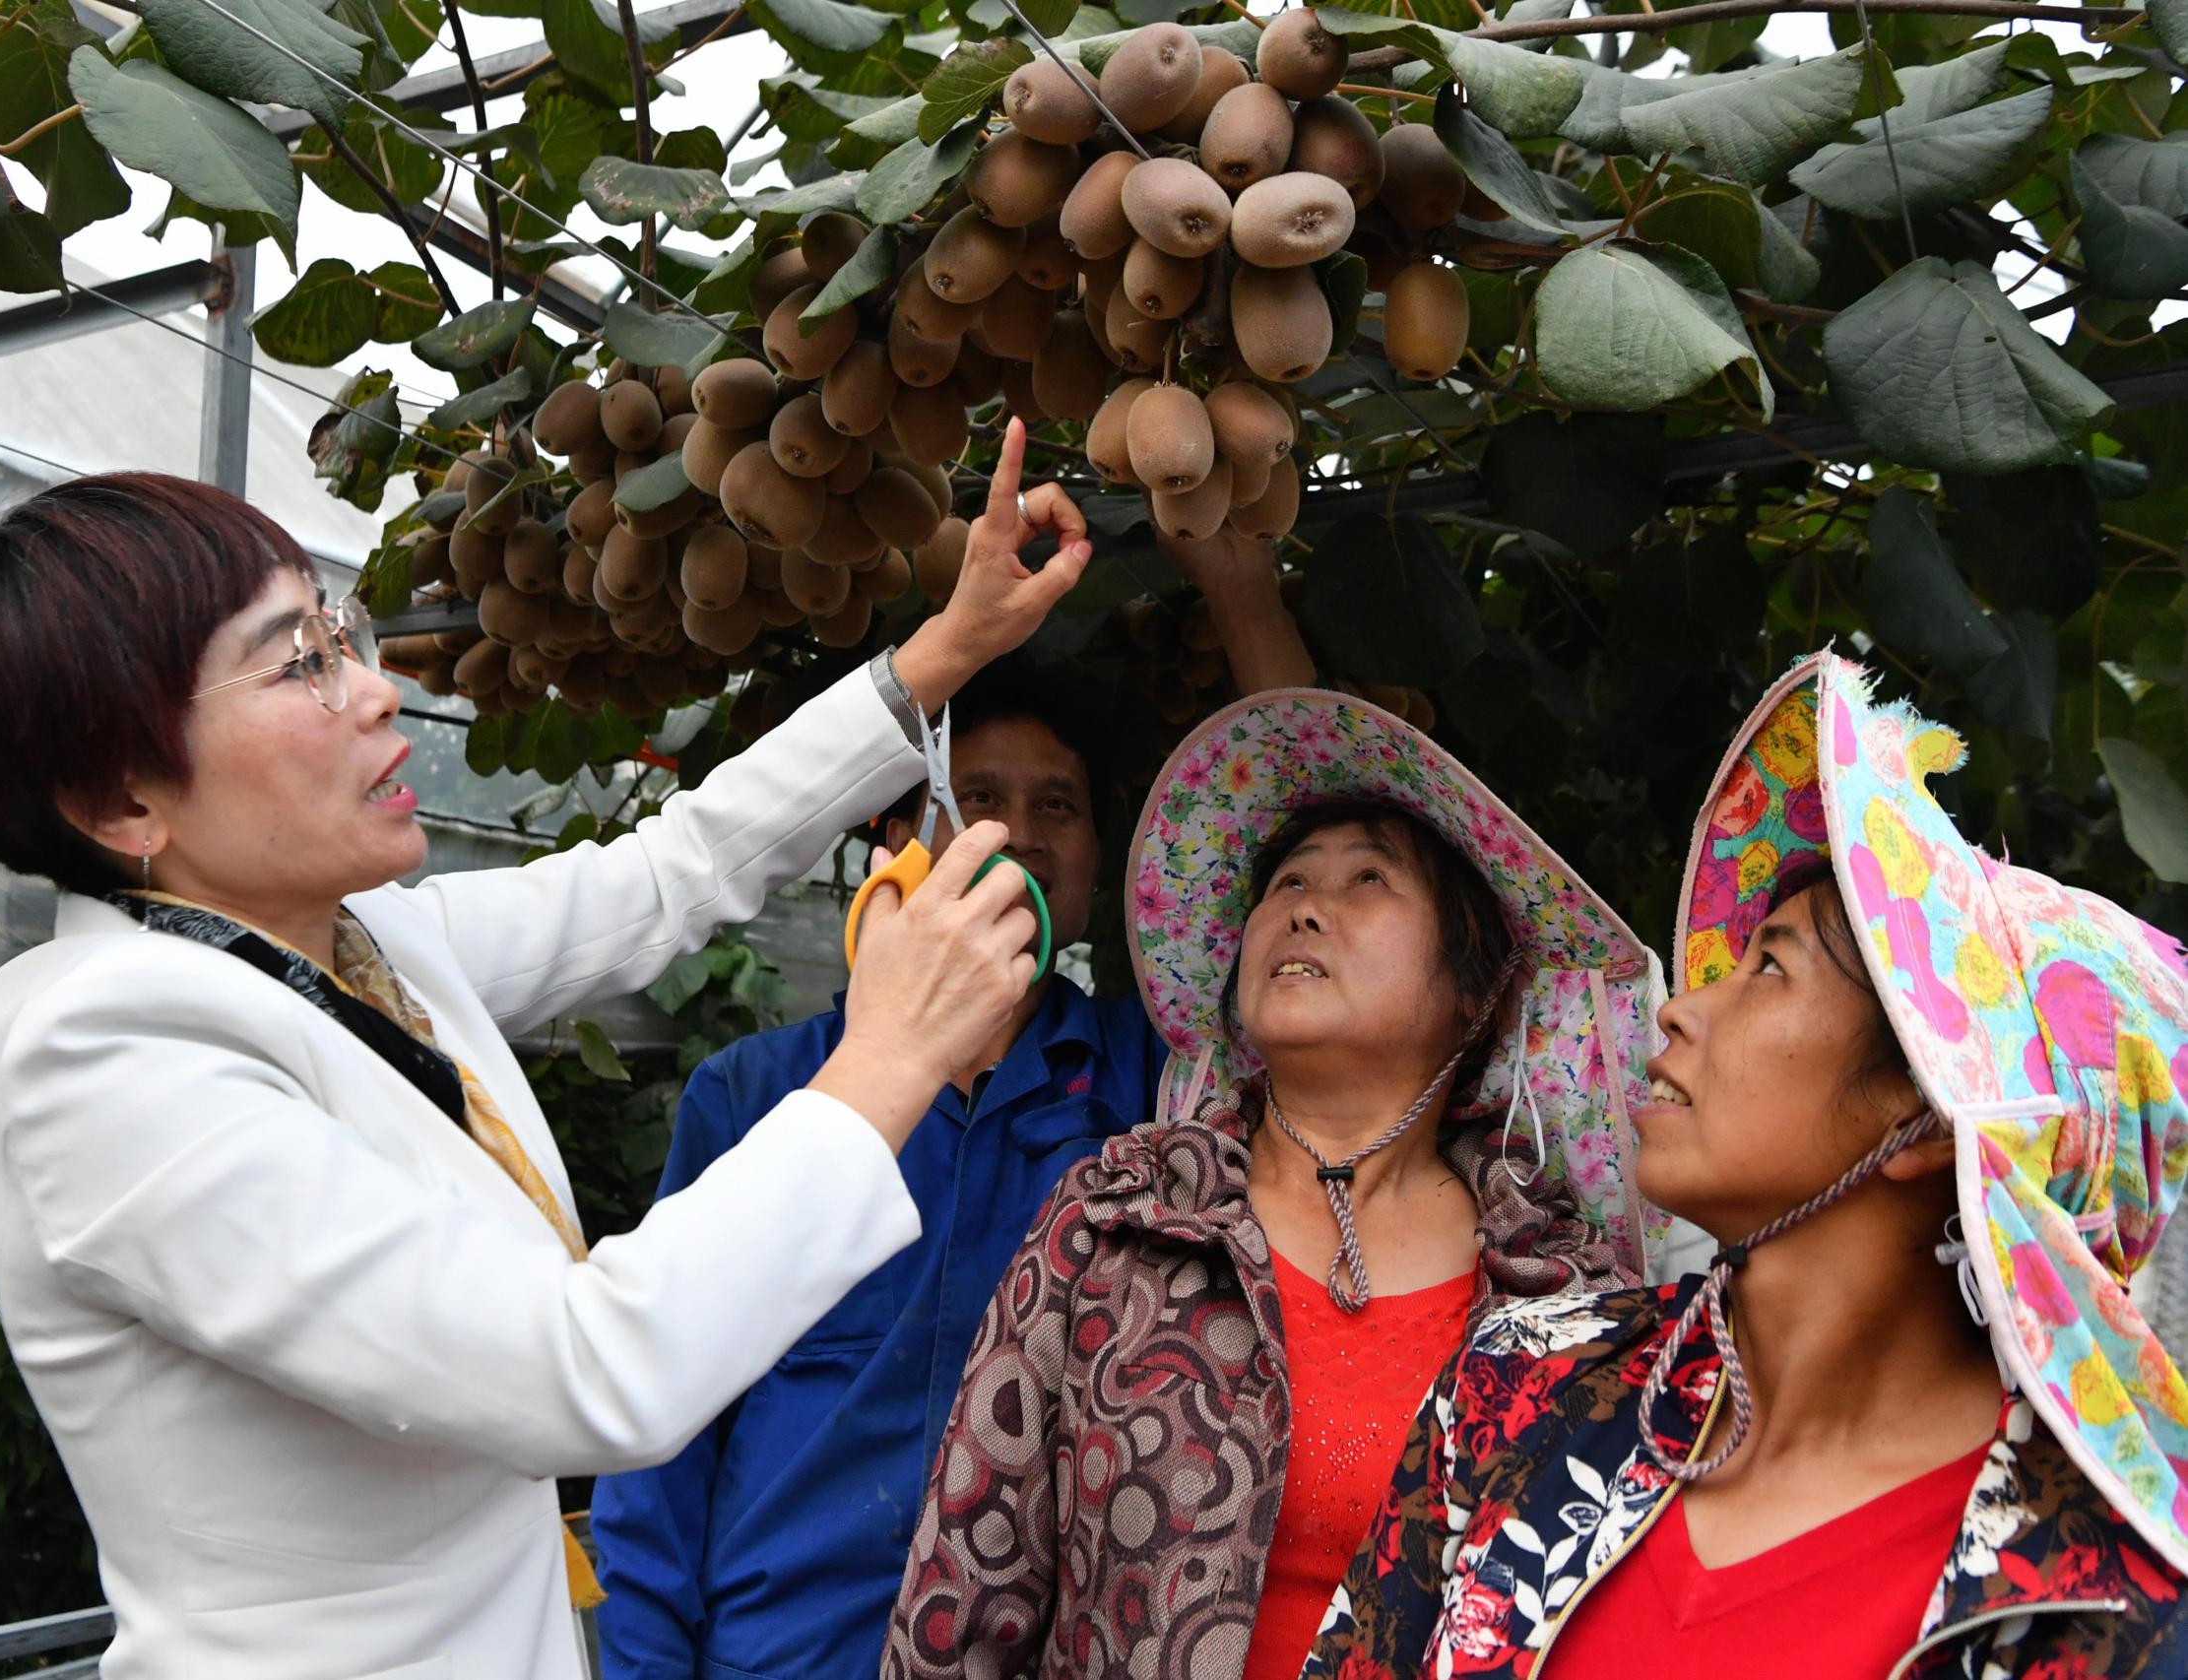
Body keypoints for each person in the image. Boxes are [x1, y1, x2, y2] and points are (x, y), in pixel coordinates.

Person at [0, 420, 1088, 1680]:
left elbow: (667, 874)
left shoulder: (353, 947)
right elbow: (585, 1371)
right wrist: (892, 1052)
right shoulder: (114, 1066)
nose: (375, 684)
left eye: (338, 630)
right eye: (297, 667)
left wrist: (953, 644)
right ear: (125, 801)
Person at [1301, 651, 2188, 1680]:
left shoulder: (2092, 1598)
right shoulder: (1526, 1388)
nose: (1680, 1005)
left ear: (1934, 1117)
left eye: (1769, 966)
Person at [589, 531, 1319, 1680]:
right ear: (896, 838)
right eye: (976, 797)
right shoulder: (758, 1095)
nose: (1020, 833)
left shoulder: (1156, 1089)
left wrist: (1238, 585)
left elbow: (1314, 826)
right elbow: (658, 1431)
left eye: (1058, 806)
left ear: (1095, 862)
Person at [879, 687, 1669, 1680]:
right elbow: (960, 1597)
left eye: (1367, 879)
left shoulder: (1566, 1293)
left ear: (1476, 989)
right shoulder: (1118, 1220)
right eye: (1287, 880)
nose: (1301, 904)